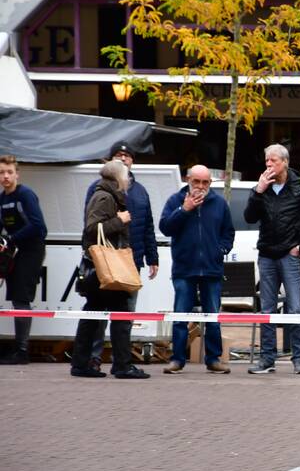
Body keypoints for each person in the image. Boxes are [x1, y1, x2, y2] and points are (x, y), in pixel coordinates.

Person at [69, 160, 150, 379]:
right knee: (120, 312)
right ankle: (121, 365)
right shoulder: (104, 197)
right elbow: (92, 229)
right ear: (118, 178)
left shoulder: (105, 194)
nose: (128, 180)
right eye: (126, 176)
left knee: (93, 313)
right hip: (106, 266)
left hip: (102, 266)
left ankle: (81, 364)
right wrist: (119, 220)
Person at [83, 141, 159, 368]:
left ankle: (121, 360)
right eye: (118, 155)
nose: (123, 159)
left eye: (127, 156)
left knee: (125, 315)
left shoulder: (141, 191)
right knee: (98, 314)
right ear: (110, 161)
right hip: (105, 261)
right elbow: (91, 228)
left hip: (130, 263)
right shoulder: (99, 189)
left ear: (133, 161)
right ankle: (94, 358)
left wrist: (152, 258)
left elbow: (148, 226)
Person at [159, 164, 235, 374]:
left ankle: (213, 359)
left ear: (210, 183)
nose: (200, 186)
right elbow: (165, 227)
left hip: (212, 269)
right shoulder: (175, 200)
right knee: (181, 316)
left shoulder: (219, 203)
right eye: (196, 181)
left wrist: (221, 249)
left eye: (205, 182)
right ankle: (177, 360)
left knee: (213, 317)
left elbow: (228, 232)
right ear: (188, 180)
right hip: (184, 268)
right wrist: (185, 210)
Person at [244, 144, 300, 375]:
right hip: (267, 255)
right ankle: (267, 359)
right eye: (266, 161)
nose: (269, 165)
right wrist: (258, 191)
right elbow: (249, 217)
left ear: (285, 162)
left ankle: (299, 358)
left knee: (295, 308)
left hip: (290, 255)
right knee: (267, 310)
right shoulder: (263, 188)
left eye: (273, 161)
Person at [0, 154, 47, 365]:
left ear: (17, 174)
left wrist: (11, 238)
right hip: (14, 252)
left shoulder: (25, 195)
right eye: (1, 173)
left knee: (21, 298)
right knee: (15, 298)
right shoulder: (2, 199)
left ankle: (22, 350)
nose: (5, 176)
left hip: (31, 251)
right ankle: (18, 347)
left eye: (9, 172)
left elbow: (39, 227)